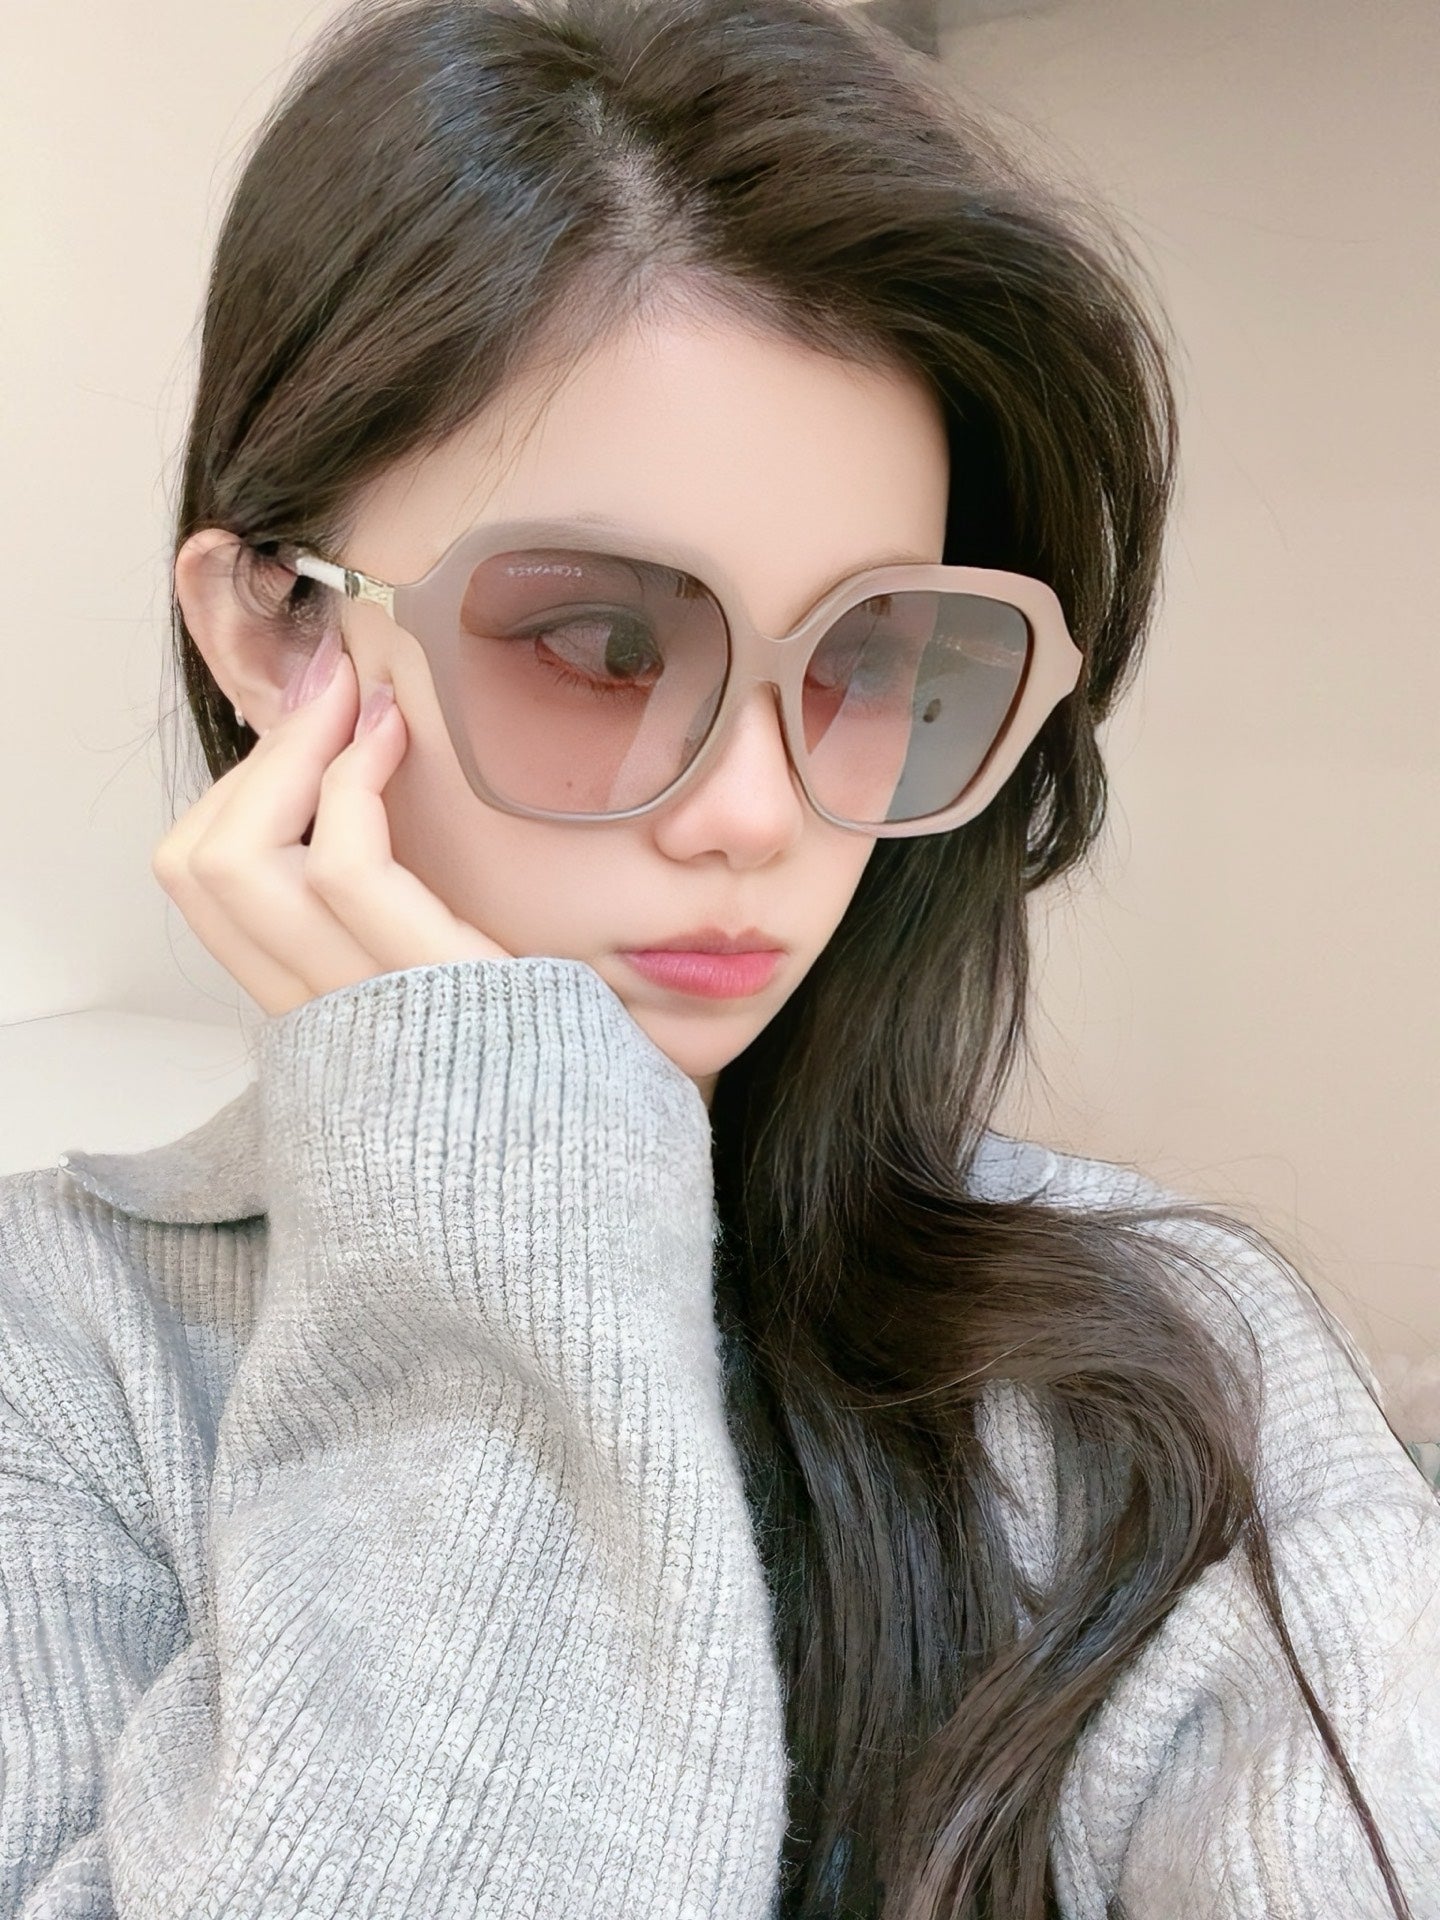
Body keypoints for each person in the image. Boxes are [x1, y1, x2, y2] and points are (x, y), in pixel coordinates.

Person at [2, 0, 1436, 1913]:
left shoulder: (1176, 1353)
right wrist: (488, 1194)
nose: (758, 812)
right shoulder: (53, 1357)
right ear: (281, 630)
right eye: (603, 643)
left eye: (873, 658)